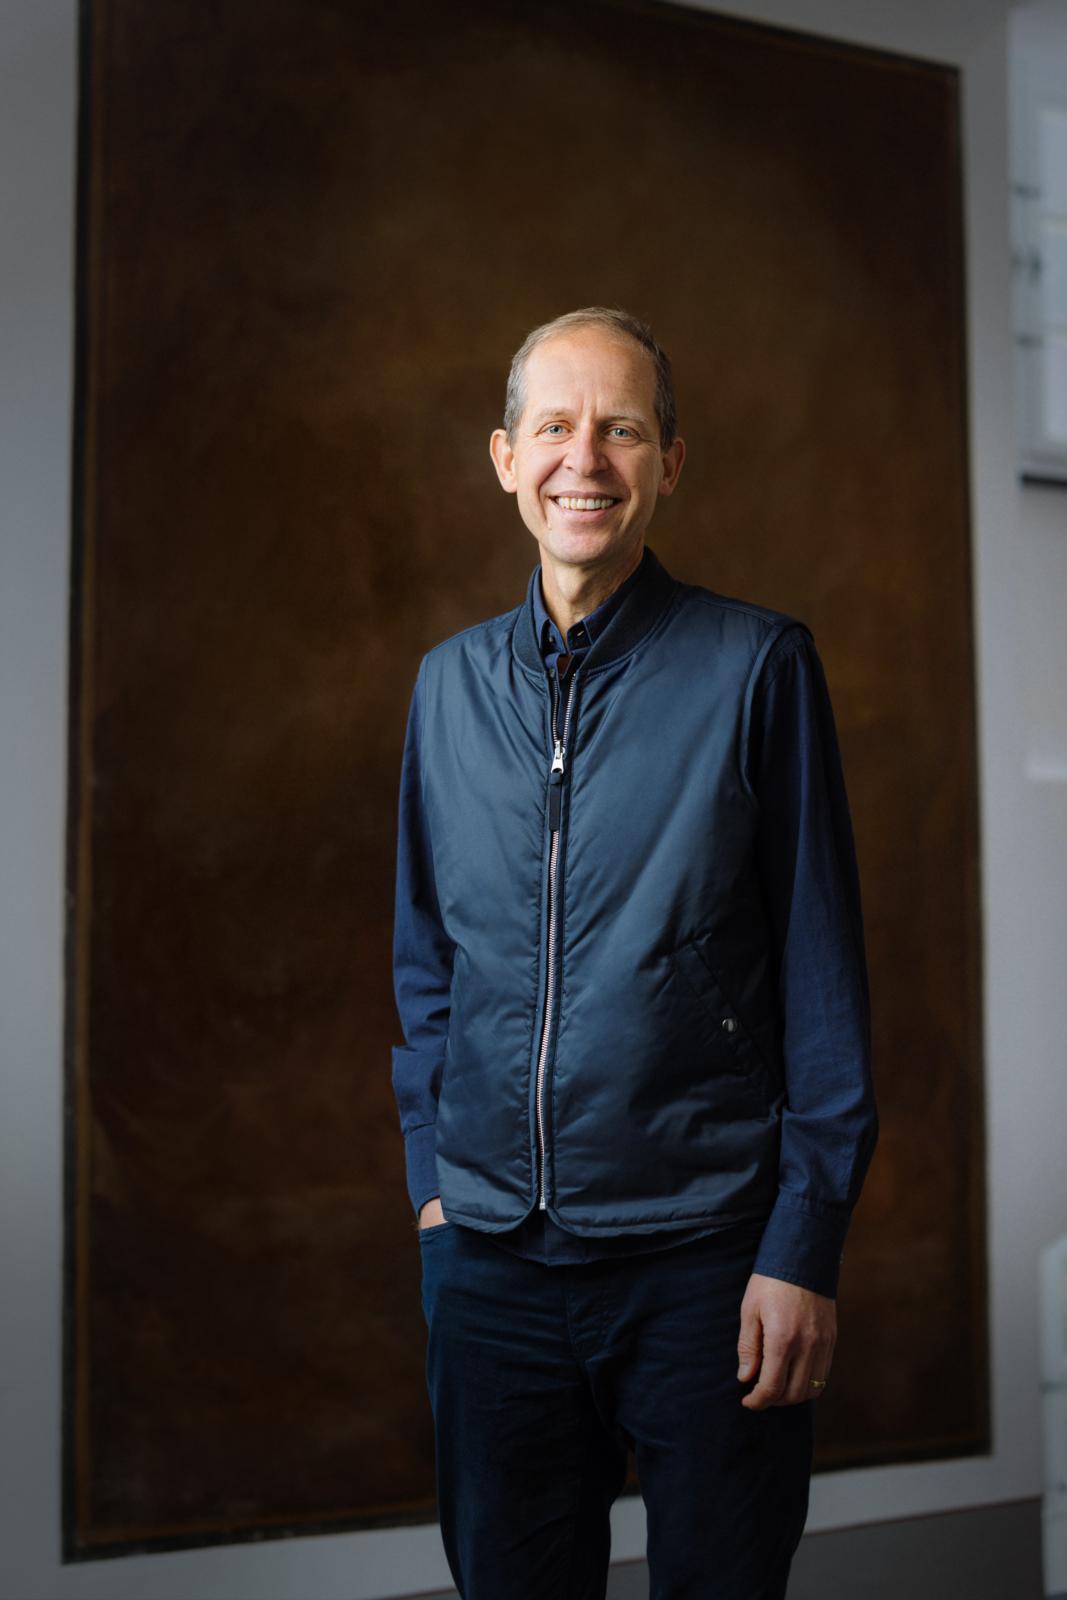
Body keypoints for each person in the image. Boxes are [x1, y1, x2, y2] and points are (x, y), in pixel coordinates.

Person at [389, 306, 879, 1599]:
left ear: (671, 462)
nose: (585, 460)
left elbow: (823, 979)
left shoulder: (757, 668)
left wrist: (802, 1245)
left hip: (706, 1260)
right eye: (555, 427)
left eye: (622, 429)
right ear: (506, 457)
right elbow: (427, 963)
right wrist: (434, 1193)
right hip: (488, 1262)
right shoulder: (448, 686)